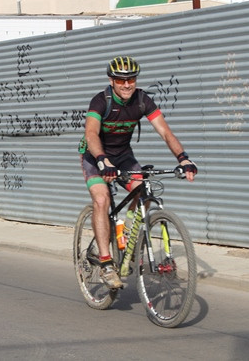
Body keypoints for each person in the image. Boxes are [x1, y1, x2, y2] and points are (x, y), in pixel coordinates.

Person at [79, 56, 197, 289]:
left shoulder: (143, 100)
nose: (126, 84)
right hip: (95, 156)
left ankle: (127, 237)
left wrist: (183, 158)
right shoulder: (100, 101)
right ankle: (106, 264)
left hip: (123, 156)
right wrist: (102, 160)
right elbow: (91, 134)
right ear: (112, 81)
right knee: (102, 199)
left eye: (130, 79)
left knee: (144, 192)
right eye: (121, 80)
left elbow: (165, 132)